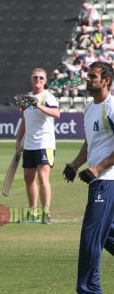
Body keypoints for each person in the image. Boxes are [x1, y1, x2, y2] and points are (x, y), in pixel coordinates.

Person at [63, 61, 114, 293]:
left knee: (90, 238)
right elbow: (90, 143)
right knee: (107, 234)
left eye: (92, 76)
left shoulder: (111, 107)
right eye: (87, 75)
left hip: (107, 180)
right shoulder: (89, 108)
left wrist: (98, 168)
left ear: (106, 81)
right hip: (100, 181)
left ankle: (89, 290)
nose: (87, 79)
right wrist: (75, 164)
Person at [16, 68, 60, 224]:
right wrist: (18, 140)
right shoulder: (26, 97)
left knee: (43, 177)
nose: (38, 80)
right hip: (29, 144)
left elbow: (56, 114)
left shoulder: (48, 97)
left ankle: (46, 212)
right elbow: (25, 120)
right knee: (28, 178)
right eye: (35, 77)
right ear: (31, 79)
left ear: (46, 81)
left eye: (41, 78)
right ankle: (33, 211)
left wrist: (39, 105)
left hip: (45, 143)